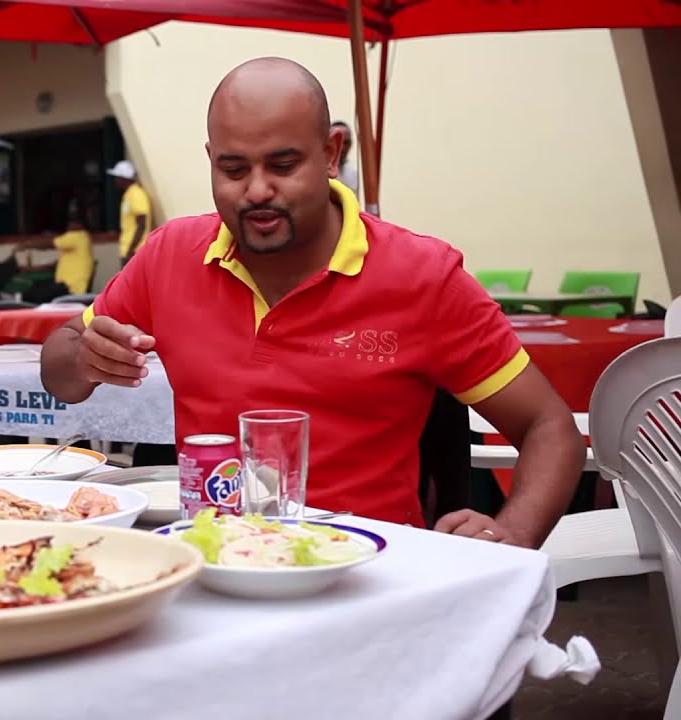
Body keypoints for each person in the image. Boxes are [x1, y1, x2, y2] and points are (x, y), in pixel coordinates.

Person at [40, 57, 584, 548]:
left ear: (331, 153)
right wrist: (83, 358)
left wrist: (513, 531)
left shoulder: (422, 276)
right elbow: (60, 369)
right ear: (210, 159)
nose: (255, 191)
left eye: (281, 166)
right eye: (233, 169)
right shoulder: (169, 256)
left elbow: (549, 428)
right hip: (211, 563)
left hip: (371, 575)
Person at [17, 213, 96, 303]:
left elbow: (50, 244)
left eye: (72, 222)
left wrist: (27, 245)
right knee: (36, 289)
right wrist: (32, 269)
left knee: (32, 294)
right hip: (63, 286)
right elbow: (52, 266)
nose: (69, 225)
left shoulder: (77, 236)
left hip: (70, 288)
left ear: (80, 224)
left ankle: (14, 300)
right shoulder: (76, 245)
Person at [107, 160, 152, 266]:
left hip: (135, 252)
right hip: (129, 251)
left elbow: (142, 224)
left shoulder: (136, 194)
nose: (115, 180)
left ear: (124, 178)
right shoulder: (129, 194)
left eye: (117, 177)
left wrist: (131, 251)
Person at [332, 120, 360, 197]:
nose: (342, 147)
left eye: (346, 142)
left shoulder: (354, 173)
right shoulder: (317, 172)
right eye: (338, 142)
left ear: (351, 144)